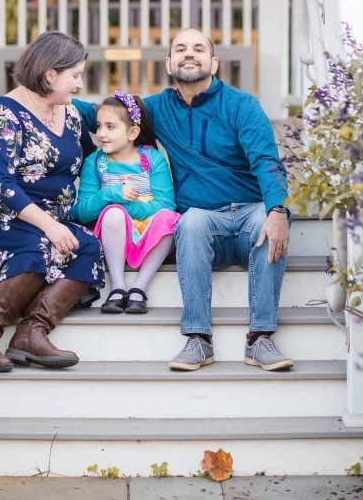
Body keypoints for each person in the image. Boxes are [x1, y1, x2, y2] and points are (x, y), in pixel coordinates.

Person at [75, 28, 293, 373]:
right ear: (169, 63)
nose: (189, 54)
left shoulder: (242, 105)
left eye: (198, 48)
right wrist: (41, 94)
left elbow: (266, 160)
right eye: (180, 49)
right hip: (203, 219)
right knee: (189, 220)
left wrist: (277, 209)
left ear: (214, 62)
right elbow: (102, 114)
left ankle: (260, 339)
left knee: (265, 222)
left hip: (250, 210)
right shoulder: (158, 109)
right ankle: (197, 339)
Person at [0, 31, 104, 373]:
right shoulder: (1, 115)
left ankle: (32, 333)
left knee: (87, 245)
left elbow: (97, 154)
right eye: (74, 76)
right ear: (50, 75)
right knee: (39, 248)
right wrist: (49, 225)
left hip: (42, 215)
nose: (79, 84)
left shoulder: (70, 113)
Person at [71, 91, 179, 315]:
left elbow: (165, 204)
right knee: (113, 214)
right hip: (112, 236)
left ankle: (140, 287)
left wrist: (128, 207)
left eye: (111, 127)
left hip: (148, 235)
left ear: (132, 132)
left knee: (170, 220)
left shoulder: (152, 159)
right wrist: (111, 195)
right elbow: (81, 212)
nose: (101, 134)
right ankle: (118, 287)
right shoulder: (95, 163)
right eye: (99, 126)